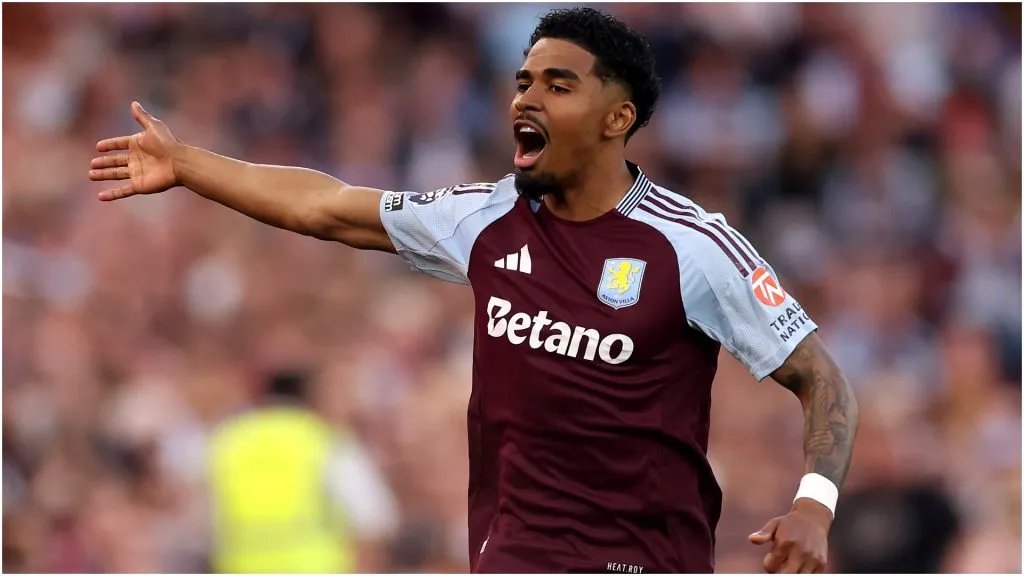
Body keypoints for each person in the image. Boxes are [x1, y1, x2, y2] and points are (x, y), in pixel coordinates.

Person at [89, 7, 858, 573]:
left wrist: (814, 502)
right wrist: (189, 165)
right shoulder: (487, 219)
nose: (526, 99)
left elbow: (820, 376)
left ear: (617, 118)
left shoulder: (690, 245)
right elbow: (325, 205)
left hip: (642, 560)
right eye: (523, 81)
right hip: (510, 558)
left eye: (558, 85)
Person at [207, 369, 399, 573]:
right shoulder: (326, 442)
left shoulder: (227, 443)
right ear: (312, 397)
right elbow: (373, 520)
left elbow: (204, 521)